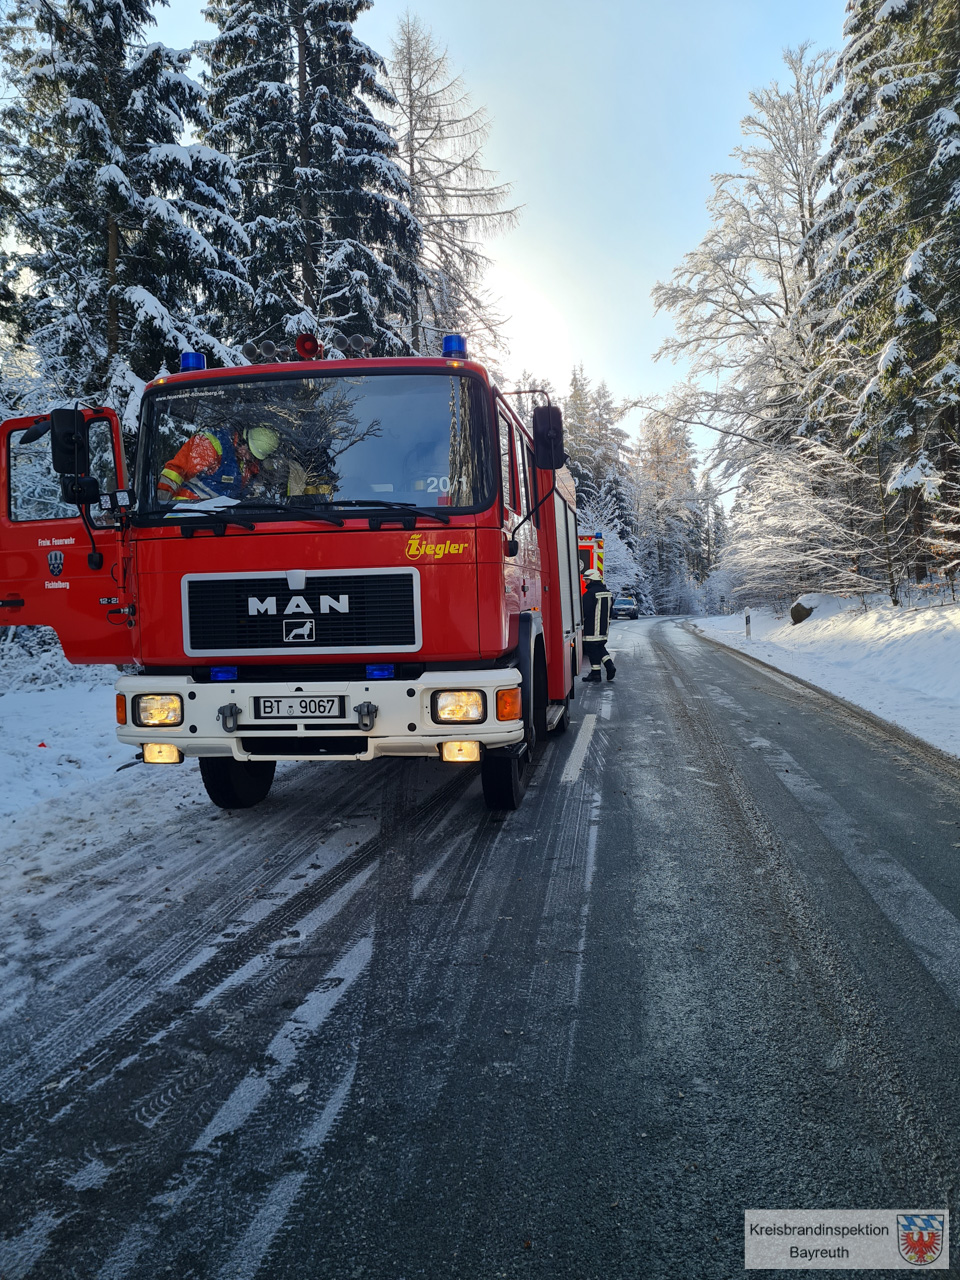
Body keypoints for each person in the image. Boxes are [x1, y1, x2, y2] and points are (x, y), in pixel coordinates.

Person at [158, 426, 280, 502]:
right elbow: (175, 471)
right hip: (186, 511)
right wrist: (162, 504)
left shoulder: (247, 465)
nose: (249, 457)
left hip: (219, 521)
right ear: (244, 440)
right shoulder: (211, 444)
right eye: (249, 452)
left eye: (253, 456)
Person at [581, 567, 616, 682]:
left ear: (592, 580)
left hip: (592, 628)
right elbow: (611, 611)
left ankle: (596, 674)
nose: (585, 582)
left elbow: (585, 611)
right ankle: (609, 666)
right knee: (600, 647)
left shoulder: (589, 594)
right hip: (603, 629)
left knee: (592, 649)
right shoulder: (608, 593)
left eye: (587, 580)